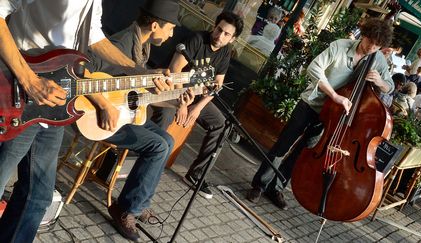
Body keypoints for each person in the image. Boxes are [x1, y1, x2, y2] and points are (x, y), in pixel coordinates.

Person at [0, 0, 169, 242]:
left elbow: (92, 36)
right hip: (17, 93)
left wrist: (136, 71)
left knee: (38, 197)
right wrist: (29, 80)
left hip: (54, 106)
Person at [247, 17, 394, 210]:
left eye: (376, 47)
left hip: (333, 117)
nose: (371, 48)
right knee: (283, 145)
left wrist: (380, 82)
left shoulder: (378, 59)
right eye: (369, 42)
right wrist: (334, 96)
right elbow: (314, 68)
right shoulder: (340, 46)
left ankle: (276, 187)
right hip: (312, 104)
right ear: (363, 35)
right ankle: (259, 184)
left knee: (303, 153)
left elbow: (389, 87)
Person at [84, 1, 192, 241]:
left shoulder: (141, 45)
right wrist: (104, 106)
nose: (172, 34)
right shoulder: (122, 44)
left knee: (167, 139)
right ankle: (126, 209)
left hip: (124, 113)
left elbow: (139, 96)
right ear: (155, 25)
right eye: (170, 28)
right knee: (158, 146)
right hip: (98, 117)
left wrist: (177, 99)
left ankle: (138, 203)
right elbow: (83, 72)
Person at [151, 12, 244, 199]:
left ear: (232, 39)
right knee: (166, 118)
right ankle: (147, 164)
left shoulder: (225, 52)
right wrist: (182, 105)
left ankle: (196, 175)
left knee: (222, 124)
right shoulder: (196, 39)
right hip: (171, 91)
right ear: (214, 26)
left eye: (226, 34)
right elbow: (175, 70)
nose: (220, 36)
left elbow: (217, 85)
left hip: (195, 96)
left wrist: (198, 107)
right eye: (219, 29)